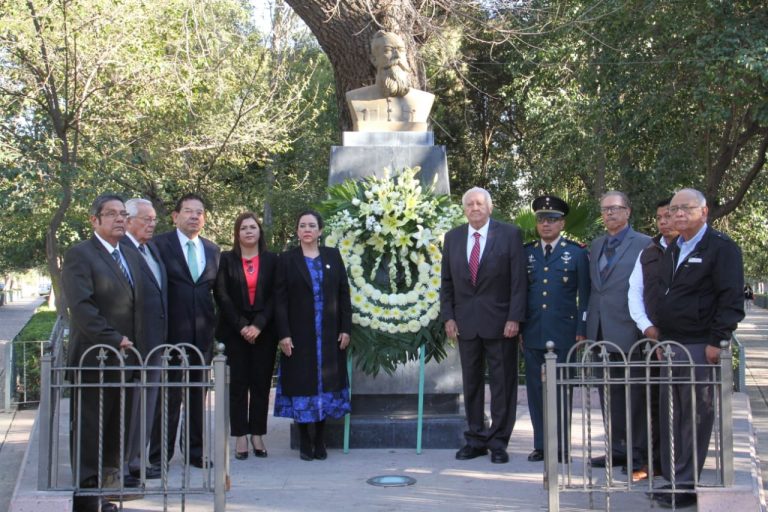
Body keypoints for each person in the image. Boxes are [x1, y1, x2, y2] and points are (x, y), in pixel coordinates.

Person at [652, 188, 745, 508]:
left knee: (695, 417)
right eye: (674, 209)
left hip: (699, 345)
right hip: (671, 343)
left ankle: (687, 486)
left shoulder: (721, 248)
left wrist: (717, 340)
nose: (678, 214)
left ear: (704, 212)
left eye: (685, 208)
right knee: (672, 416)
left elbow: (731, 299)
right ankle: (673, 479)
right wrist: (662, 338)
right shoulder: (673, 248)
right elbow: (664, 296)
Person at [62, 194, 144, 512]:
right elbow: (82, 308)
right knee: (89, 438)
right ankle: (85, 503)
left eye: (123, 214)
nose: (119, 219)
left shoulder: (129, 254)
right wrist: (114, 339)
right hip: (93, 361)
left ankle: (105, 498)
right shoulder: (80, 255)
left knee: (114, 436)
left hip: (125, 362)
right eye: (111, 214)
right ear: (94, 219)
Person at [440, 187, 527, 464]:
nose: (474, 208)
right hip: (465, 324)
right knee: (472, 383)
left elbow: (518, 281)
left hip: (502, 324)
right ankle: (475, 438)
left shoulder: (510, 234)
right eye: (469, 204)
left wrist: (515, 317)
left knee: (503, 384)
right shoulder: (453, 238)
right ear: (464, 209)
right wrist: (448, 317)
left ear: (489, 207)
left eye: (479, 203)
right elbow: (446, 283)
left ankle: (498, 442)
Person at [149, 193, 220, 470]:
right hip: (169, 337)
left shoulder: (213, 250)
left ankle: (195, 452)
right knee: (168, 398)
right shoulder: (158, 246)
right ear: (175, 216)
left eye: (199, 212)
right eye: (188, 211)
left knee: (196, 397)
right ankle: (158, 457)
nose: (194, 216)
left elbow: (219, 294)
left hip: (202, 338)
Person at [274, 210, 352, 461]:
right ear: (297, 232)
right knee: (303, 387)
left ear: (320, 231)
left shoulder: (332, 256)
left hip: (329, 334)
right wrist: (283, 334)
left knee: (325, 387)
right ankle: (305, 440)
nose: (307, 229)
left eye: (312, 225)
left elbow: (343, 294)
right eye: (302, 225)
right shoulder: (286, 260)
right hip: (299, 335)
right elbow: (280, 301)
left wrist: (345, 328)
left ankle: (320, 440)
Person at [521, 195, 589, 463]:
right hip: (534, 331)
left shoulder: (577, 253)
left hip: (565, 332)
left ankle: (561, 446)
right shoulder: (527, 252)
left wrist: (582, 327)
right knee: (536, 391)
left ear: (562, 223)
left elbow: (585, 295)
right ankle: (541, 445)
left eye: (552, 219)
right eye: (541, 219)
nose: (546, 224)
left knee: (561, 389)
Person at [585, 191, 651, 472]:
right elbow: (595, 289)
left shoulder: (645, 244)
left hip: (629, 332)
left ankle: (637, 453)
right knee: (608, 394)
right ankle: (616, 449)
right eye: (605, 209)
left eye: (615, 208)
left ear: (628, 211)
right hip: (600, 331)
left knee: (633, 395)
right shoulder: (597, 244)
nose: (609, 213)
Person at [214, 212, 278, 460]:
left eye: (253, 227)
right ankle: (240, 435)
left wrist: (259, 325)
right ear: (237, 233)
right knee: (239, 385)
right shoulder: (226, 259)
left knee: (261, 385)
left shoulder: (273, 260)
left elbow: (276, 296)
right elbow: (222, 295)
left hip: (265, 332)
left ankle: (257, 434)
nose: (249, 231)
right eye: (244, 228)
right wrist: (242, 326)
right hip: (234, 332)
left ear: (260, 232)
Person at [626, 197, 679, 481]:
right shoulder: (649, 251)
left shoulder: (688, 248)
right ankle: (653, 462)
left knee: (681, 404)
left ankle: (679, 464)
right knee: (653, 403)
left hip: (683, 340)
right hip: (651, 339)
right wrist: (647, 328)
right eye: (659, 217)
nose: (663, 221)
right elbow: (634, 291)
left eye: (668, 215)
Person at [122, 198, 168, 481]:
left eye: (153, 219)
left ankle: (138, 459)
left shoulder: (151, 249)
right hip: (133, 343)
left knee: (148, 404)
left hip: (155, 342)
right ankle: (123, 463)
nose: (152, 224)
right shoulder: (122, 250)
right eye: (146, 219)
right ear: (128, 220)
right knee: (130, 405)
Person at [345, 30, 434, 131]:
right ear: (374, 59)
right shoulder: (355, 98)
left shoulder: (424, 100)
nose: (397, 55)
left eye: (401, 50)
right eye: (388, 50)